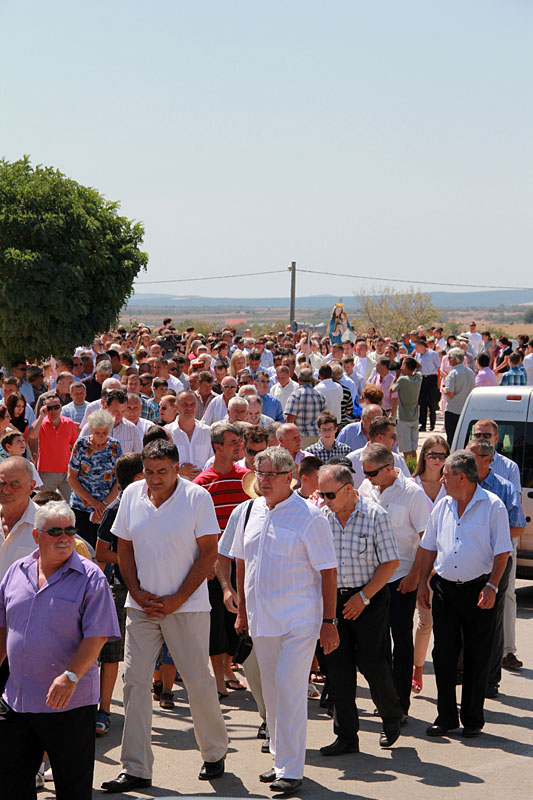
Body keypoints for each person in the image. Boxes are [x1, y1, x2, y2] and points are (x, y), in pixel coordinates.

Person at [102, 440, 227, 793]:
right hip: (140, 608)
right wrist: (137, 592)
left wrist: (177, 598)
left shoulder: (197, 498)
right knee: (135, 683)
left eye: (163, 471)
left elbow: (208, 554)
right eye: (149, 471)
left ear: (176, 468)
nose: (155, 479)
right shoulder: (131, 496)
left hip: (186, 607)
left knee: (198, 680)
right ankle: (136, 767)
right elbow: (123, 548)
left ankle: (215, 753)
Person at [231, 447, 338, 794]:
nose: (262, 481)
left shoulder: (310, 516)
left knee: (290, 691)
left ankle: (291, 769)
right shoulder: (250, 511)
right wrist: (243, 611)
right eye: (259, 473)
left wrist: (328, 620)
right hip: (262, 620)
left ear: (289, 478)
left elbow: (328, 571)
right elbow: (242, 563)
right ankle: (280, 760)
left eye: (270, 475)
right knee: (273, 692)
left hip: (299, 620)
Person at [0, 500, 119, 800]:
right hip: (17, 700)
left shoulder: (91, 578)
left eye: (70, 530)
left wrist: (71, 675)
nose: (65, 537)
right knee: (9, 785)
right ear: (36, 536)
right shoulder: (16, 571)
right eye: (55, 531)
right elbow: (4, 628)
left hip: (68, 704)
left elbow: (98, 636)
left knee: (72, 790)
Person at [418, 451, 512, 738]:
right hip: (445, 589)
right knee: (443, 654)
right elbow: (428, 546)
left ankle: (472, 719)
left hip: (479, 589)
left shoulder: (492, 506)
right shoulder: (442, 505)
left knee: (476, 655)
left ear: (461, 477)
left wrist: (493, 586)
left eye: (445, 474)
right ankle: (446, 717)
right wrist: (422, 582)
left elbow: (502, 551)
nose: (440, 479)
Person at [317, 463, 403, 755]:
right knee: (337, 667)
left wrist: (364, 597)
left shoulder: (375, 516)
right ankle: (346, 736)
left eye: (329, 494)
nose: (324, 500)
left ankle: (392, 717)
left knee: (372, 663)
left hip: (369, 597)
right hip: (333, 599)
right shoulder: (322, 517)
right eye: (321, 494)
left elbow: (390, 562)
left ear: (348, 489)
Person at [358, 444, 429, 720]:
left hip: (401, 579)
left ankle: (401, 703)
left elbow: (427, 538)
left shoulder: (413, 494)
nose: (367, 477)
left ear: (389, 469)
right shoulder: (366, 488)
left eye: (372, 472)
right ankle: (385, 699)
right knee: (377, 643)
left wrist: (415, 576)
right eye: (364, 472)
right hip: (372, 578)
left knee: (401, 641)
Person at [465, 440, 526, 698]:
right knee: (462, 621)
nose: (465, 460)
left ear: (486, 460)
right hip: (465, 562)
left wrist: (489, 540)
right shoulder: (460, 483)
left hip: (495, 562)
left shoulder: (504, 487)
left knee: (492, 623)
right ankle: (463, 673)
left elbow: (518, 526)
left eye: (471, 456)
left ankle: (490, 680)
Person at [194, 423, 249, 697]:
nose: (239, 446)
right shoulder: (202, 484)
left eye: (240, 441)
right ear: (217, 447)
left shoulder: (248, 480)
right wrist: (204, 564)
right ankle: (218, 679)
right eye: (233, 442)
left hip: (245, 562)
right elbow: (193, 528)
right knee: (217, 623)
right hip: (215, 563)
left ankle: (228, 668)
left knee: (237, 623)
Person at [95, 453, 144, 736]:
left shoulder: (149, 505)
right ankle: (104, 710)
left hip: (147, 586)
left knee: (139, 653)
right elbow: (101, 552)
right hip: (119, 589)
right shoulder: (115, 509)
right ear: (137, 477)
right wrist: (130, 560)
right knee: (110, 654)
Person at [410, 435, 449, 693]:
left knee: (433, 622)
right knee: (417, 622)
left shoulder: (453, 486)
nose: (435, 459)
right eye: (431, 454)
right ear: (423, 456)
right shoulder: (411, 486)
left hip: (443, 566)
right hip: (411, 564)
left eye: (441, 455)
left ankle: (424, 670)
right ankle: (414, 668)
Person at [67, 410, 122, 548]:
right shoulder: (81, 445)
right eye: (98, 433)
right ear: (91, 429)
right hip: (82, 507)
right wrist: (94, 503)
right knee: (82, 548)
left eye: (105, 433)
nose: (102, 436)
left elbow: (119, 480)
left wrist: (103, 505)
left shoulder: (115, 447)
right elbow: (71, 477)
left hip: (107, 508)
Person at [28, 394, 79, 500]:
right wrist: (41, 416)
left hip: (67, 471)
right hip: (46, 472)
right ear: (45, 409)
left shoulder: (69, 423)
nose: (53, 411)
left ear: (61, 407)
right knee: (46, 505)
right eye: (49, 408)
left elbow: (76, 446)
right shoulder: (41, 423)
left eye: (56, 407)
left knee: (70, 504)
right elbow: (32, 435)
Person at [348, 417, 410, 489]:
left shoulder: (398, 460)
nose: (395, 440)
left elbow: (408, 486)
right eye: (393, 436)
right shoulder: (352, 460)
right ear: (380, 437)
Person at [285, 367, 326, 449]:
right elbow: (323, 417)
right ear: (312, 380)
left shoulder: (295, 395)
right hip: (317, 436)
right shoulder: (320, 395)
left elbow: (290, 420)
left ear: (298, 380)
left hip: (301, 437)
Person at [391, 357, 422, 460]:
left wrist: (396, 375)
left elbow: (391, 390)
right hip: (414, 418)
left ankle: (409, 469)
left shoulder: (402, 380)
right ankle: (414, 467)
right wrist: (409, 358)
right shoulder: (418, 378)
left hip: (403, 418)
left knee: (406, 450)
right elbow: (419, 366)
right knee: (413, 449)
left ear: (405, 366)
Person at [442, 347, 475, 446]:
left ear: (454, 359)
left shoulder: (453, 373)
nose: (448, 360)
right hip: (466, 409)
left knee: (451, 439)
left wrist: (444, 389)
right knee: (464, 438)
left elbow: (450, 393)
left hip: (453, 410)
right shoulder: (470, 372)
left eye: (449, 358)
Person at [414, 339, 440, 432]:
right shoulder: (417, 355)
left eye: (417, 346)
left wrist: (438, 383)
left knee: (432, 402)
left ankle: (432, 423)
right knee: (422, 402)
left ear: (422, 346)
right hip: (422, 379)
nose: (416, 348)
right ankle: (423, 424)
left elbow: (438, 367)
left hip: (431, 378)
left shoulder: (433, 354)